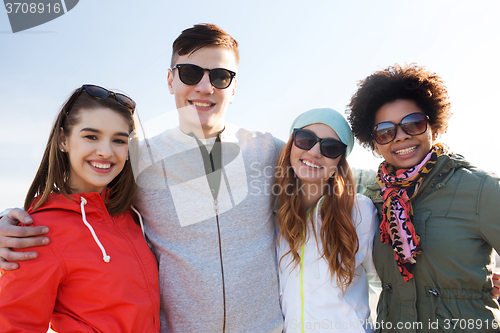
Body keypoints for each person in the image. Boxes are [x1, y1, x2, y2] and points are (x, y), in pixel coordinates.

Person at [0, 24, 284, 333]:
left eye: (220, 76)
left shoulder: (271, 152)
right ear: (170, 80)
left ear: (234, 87)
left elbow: (332, 189)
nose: (205, 87)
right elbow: (80, 203)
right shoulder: (137, 159)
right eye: (190, 73)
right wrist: (8, 221)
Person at [347, 64, 500, 332]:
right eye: (385, 131)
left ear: (433, 125)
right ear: (375, 142)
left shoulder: (480, 189)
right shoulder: (374, 199)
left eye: (413, 123)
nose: (402, 136)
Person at [0, 85, 160, 332]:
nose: (106, 152)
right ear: (64, 140)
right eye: (91, 136)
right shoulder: (39, 232)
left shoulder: (134, 215)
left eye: (118, 140)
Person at [275, 108, 378, 333]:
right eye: (305, 139)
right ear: (291, 144)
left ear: (340, 161)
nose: (313, 152)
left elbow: (385, 284)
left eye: (330, 147)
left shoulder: (359, 211)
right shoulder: (276, 214)